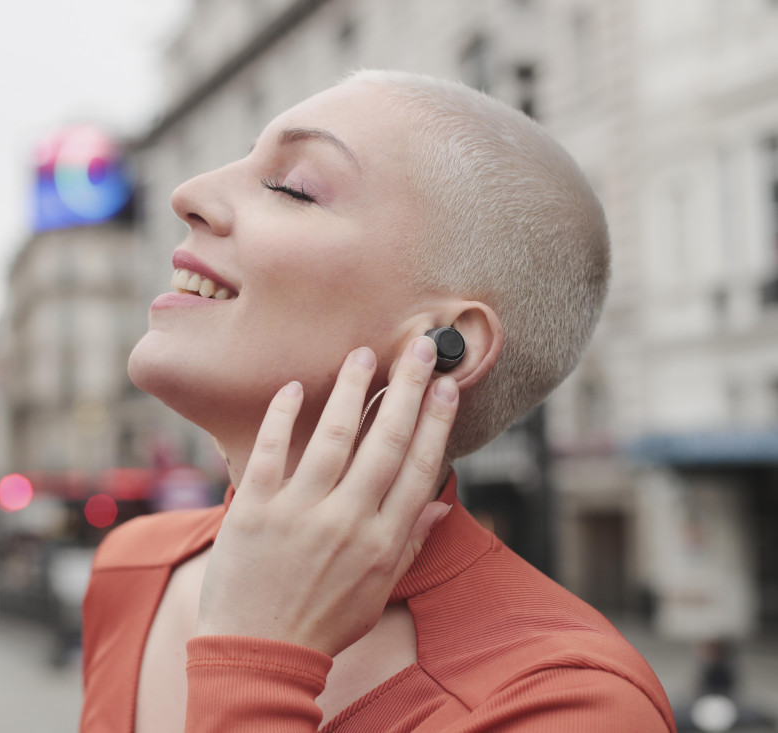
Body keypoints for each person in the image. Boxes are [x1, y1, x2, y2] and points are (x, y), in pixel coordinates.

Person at [80, 70, 675, 732]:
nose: (187, 195)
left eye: (292, 188)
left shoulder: (566, 701)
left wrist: (257, 660)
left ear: (443, 344)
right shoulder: (134, 564)